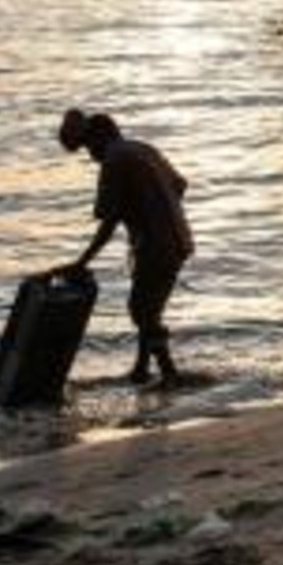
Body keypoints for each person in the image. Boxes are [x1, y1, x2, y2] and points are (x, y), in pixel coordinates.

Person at [55, 109, 193, 388]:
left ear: (98, 140)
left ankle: (169, 373)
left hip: (156, 244)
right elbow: (180, 185)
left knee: (140, 311)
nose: (89, 156)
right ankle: (142, 369)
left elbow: (109, 220)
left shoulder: (114, 161)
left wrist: (82, 262)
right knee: (149, 308)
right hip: (179, 239)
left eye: (88, 148)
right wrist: (154, 206)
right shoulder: (142, 148)